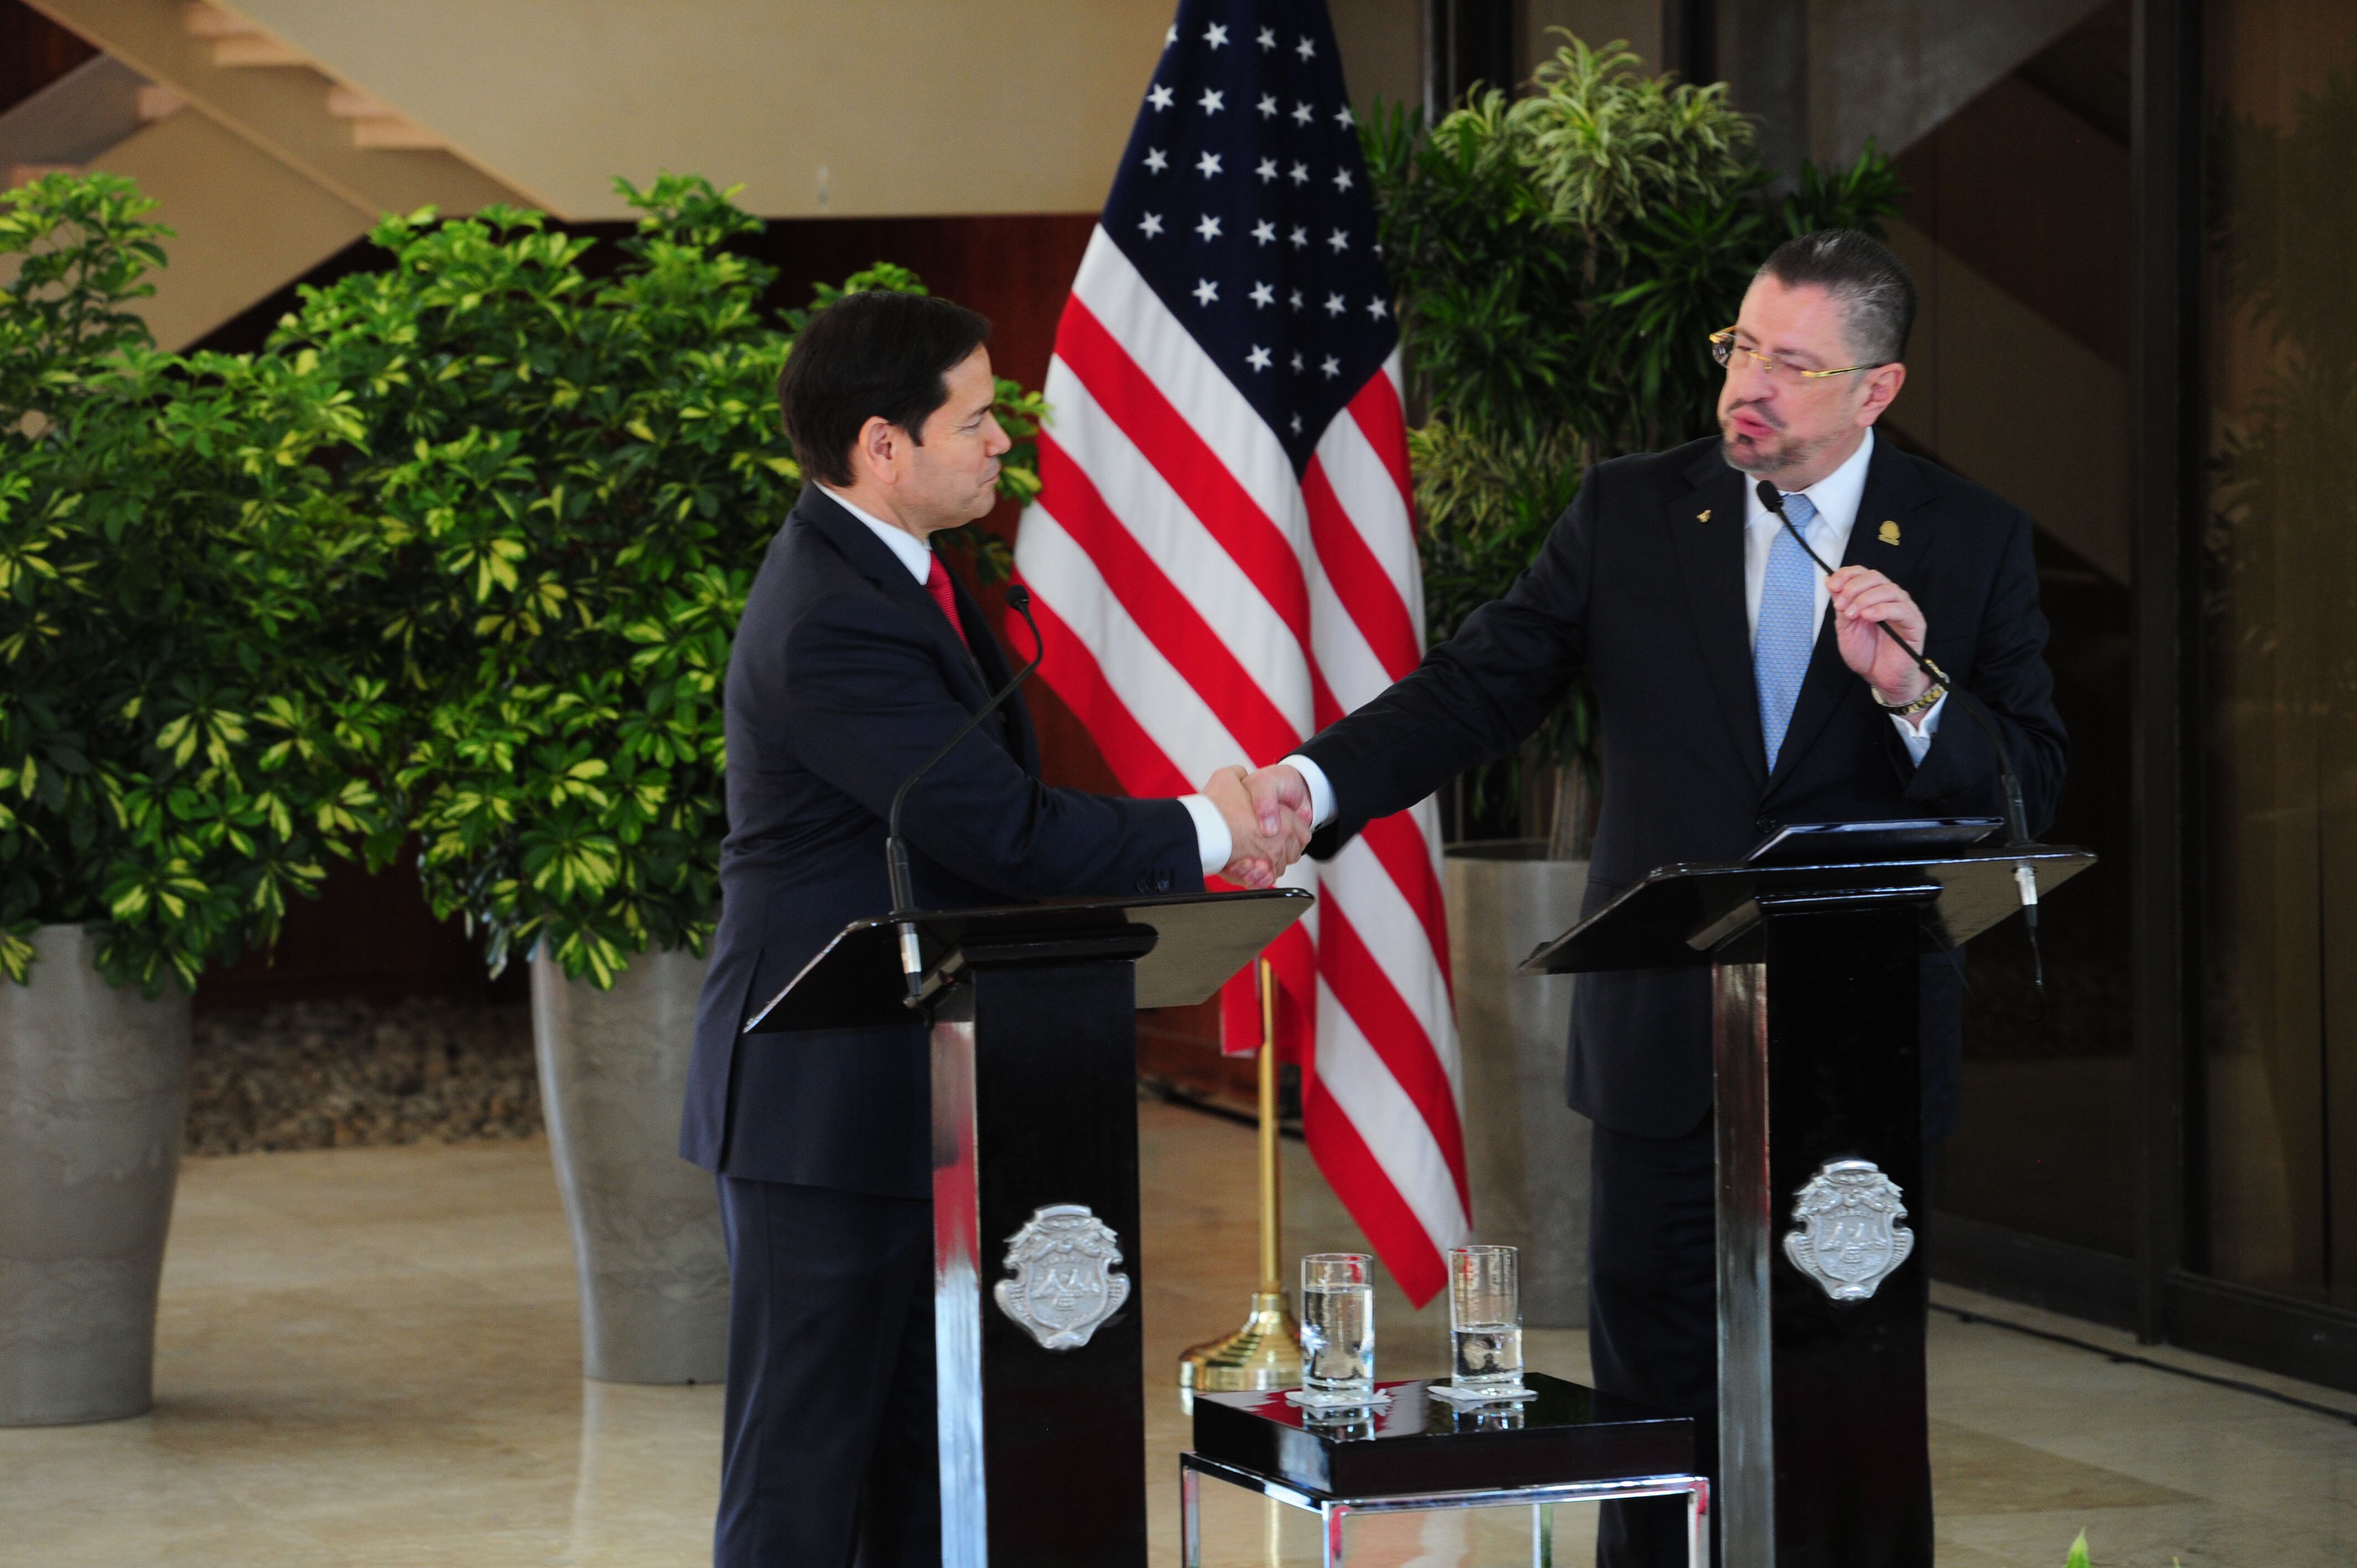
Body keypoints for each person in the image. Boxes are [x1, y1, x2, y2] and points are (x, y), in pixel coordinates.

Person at [1240, 230, 2066, 1566]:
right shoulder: (1630, 511)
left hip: (1854, 1060)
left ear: (1877, 388)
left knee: (1847, 1404)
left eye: (1793, 364)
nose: (1751, 382)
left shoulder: (1968, 540)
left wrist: (1914, 691)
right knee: (1654, 1419)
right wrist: (1308, 784)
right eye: (1740, 346)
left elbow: (2028, 782)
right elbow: (1477, 687)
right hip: (1663, 1051)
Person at [678, 289, 1303, 1568]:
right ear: (881, 445)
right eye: (975, 424)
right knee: (802, 1474)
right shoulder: (833, 616)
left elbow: (988, 833)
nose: (1002, 447)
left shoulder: (911, 575)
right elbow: (999, 834)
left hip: (925, 1086)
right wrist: (1205, 828)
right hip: (826, 1101)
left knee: (924, 1455)